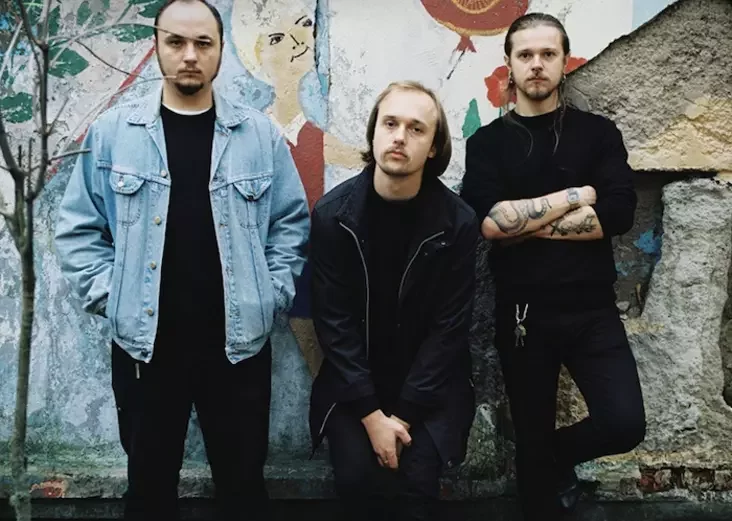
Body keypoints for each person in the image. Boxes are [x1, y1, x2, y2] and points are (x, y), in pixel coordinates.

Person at [54, 1, 309, 519]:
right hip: (145, 348)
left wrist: (270, 293)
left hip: (238, 348)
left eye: (203, 43)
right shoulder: (114, 132)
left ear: (221, 51)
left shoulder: (259, 136)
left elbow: (290, 224)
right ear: (157, 46)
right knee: (148, 492)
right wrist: (112, 297)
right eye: (176, 42)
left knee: (243, 490)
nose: (189, 55)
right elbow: (79, 229)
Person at [460, 12, 646, 521]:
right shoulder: (487, 144)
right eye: (525, 55)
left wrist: (521, 221)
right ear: (509, 63)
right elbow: (489, 223)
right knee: (531, 440)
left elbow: (618, 213)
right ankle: (542, 481)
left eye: (548, 54)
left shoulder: (598, 134)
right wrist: (576, 195)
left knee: (624, 423)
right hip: (522, 314)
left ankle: (555, 458)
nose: (537, 64)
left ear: (566, 62)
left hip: (592, 310)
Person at [308, 81, 478, 521]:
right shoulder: (333, 216)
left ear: (434, 148)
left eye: (416, 128)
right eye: (390, 123)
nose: (400, 136)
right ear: (374, 133)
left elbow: (449, 330)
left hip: (430, 387)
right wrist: (371, 415)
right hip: (355, 384)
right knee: (356, 480)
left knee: (417, 484)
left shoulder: (457, 223)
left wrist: (401, 418)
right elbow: (333, 324)